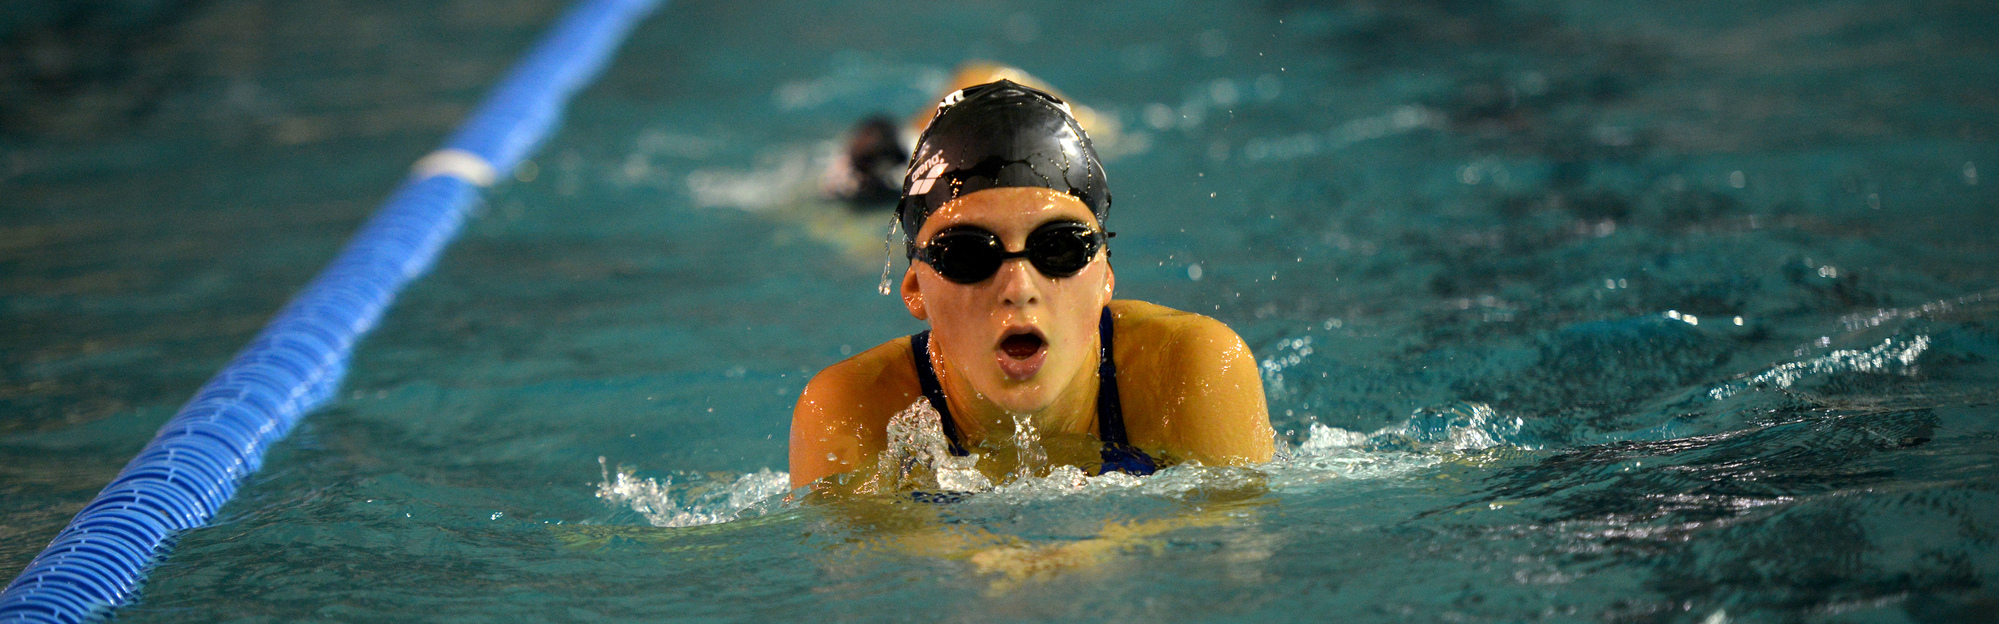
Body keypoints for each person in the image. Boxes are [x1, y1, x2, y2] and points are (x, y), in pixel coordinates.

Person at [789, 79, 1273, 490]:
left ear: (1105, 275)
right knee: (840, 217)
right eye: (968, 253)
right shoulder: (848, 410)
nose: (1019, 286)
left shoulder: (1193, 370)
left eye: (1059, 247)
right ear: (915, 288)